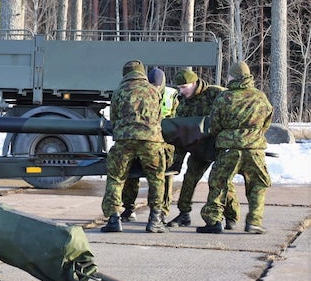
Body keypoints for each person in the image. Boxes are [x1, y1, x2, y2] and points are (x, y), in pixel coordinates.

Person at [197, 60, 272, 234]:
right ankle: (254, 221)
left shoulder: (224, 97)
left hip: (229, 149)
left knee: (219, 183)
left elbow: (214, 124)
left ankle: (214, 221)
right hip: (254, 149)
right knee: (258, 185)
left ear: (233, 77)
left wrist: (224, 137)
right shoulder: (260, 96)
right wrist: (253, 136)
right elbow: (267, 121)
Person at [101, 60, 168, 233]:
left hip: (124, 140)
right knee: (156, 179)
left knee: (116, 179)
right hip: (151, 140)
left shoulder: (119, 92)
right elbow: (159, 118)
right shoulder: (154, 90)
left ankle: (114, 219)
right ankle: (155, 219)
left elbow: (113, 119)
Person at [166, 68, 238, 228]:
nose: (181, 91)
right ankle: (183, 214)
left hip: (221, 146)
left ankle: (231, 217)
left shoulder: (216, 93)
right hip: (199, 148)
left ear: (194, 83)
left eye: (184, 87)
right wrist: (177, 162)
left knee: (224, 182)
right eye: (179, 88)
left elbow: (234, 113)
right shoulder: (183, 105)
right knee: (189, 178)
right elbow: (181, 135)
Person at [119, 66, 177, 221]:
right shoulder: (144, 91)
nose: (155, 89)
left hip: (163, 142)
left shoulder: (171, 96)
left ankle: (161, 211)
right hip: (147, 139)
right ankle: (129, 207)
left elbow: (177, 119)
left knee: (162, 177)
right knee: (131, 174)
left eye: (157, 86)